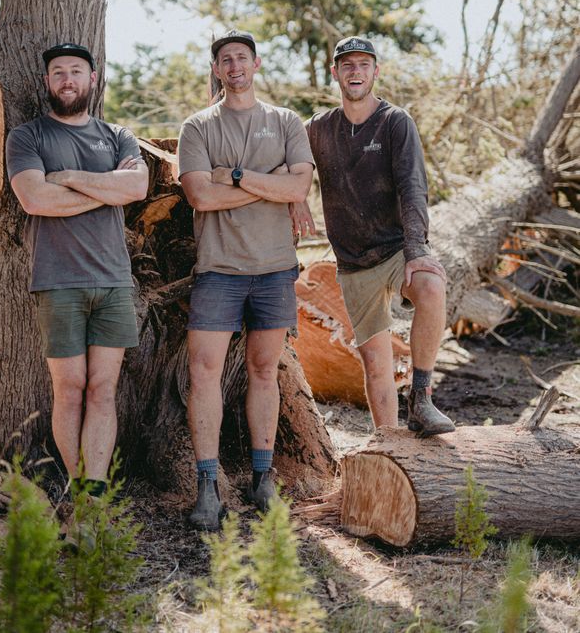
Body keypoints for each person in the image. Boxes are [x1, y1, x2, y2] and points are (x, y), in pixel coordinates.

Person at [178, 30, 314, 530]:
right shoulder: (197, 128)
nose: (234, 66)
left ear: (256, 64)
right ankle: (207, 487)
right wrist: (269, 184)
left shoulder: (284, 121)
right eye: (224, 59)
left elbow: (300, 185)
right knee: (204, 373)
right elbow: (200, 198)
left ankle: (262, 480)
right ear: (216, 70)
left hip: (275, 268)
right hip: (218, 270)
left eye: (242, 58)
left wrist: (231, 176)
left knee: (263, 372)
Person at [5, 42, 149, 498]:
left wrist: (65, 176)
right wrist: (109, 189)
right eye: (59, 72)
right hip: (59, 281)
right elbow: (34, 199)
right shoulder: (27, 137)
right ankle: (75, 484)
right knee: (69, 389)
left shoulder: (117, 136)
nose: (68, 80)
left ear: (92, 78)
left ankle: (95, 490)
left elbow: (139, 186)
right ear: (47, 81)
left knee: (102, 390)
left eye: (76, 71)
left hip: (113, 281)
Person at [304, 36, 454, 437]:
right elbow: (287, 164)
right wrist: (295, 200)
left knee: (432, 286)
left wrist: (417, 249)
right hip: (353, 261)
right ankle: (389, 445)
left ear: (376, 71)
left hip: (395, 250)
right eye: (347, 65)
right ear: (335, 73)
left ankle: (421, 398)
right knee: (375, 364)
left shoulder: (394, 122)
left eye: (364, 64)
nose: (356, 72)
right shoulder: (319, 128)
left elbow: (412, 187)